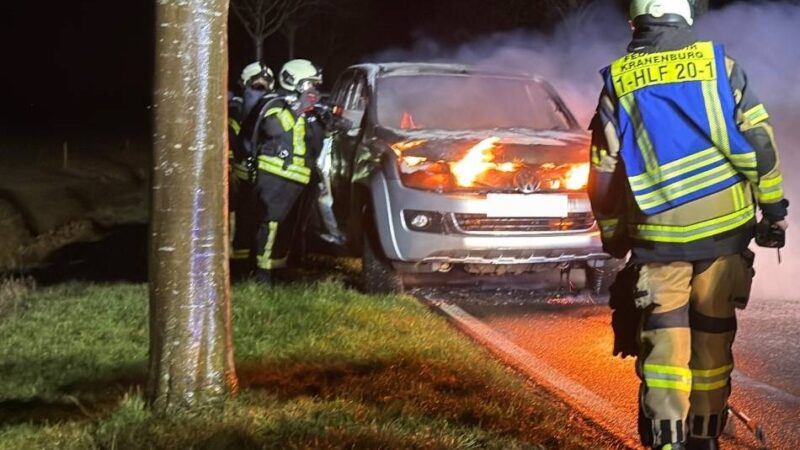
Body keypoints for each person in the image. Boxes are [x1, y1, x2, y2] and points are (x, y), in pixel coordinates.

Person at [587, 1, 789, 449]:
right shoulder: (721, 65)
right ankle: (704, 438)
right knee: (713, 345)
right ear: (687, 15)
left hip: (657, 241)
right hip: (724, 234)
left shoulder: (618, 80)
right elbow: (761, 144)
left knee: (664, 350)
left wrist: (614, 233)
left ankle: (666, 439)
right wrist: (773, 210)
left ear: (635, 21)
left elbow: (603, 172)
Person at [248, 59, 325, 283]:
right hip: (275, 174)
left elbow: (314, 144)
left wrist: (318, 118)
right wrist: (299, 108)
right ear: (295, 81)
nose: (313, 89)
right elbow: (272, 128)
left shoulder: (306, 109)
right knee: (271, 224)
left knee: (286, 227)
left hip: (297, 177)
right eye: (310, 84)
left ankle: (278, 271)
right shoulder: (274, 102)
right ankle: (262, 275)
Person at [229, 62, 277, 278]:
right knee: (243, 222)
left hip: (262, 174)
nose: (259, 92)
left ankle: (249, 264)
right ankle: (239, 268)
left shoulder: (272, 109)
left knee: (258, 220)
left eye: (264, 87)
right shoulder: (235, 112)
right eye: (255, 87)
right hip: (241, 174)